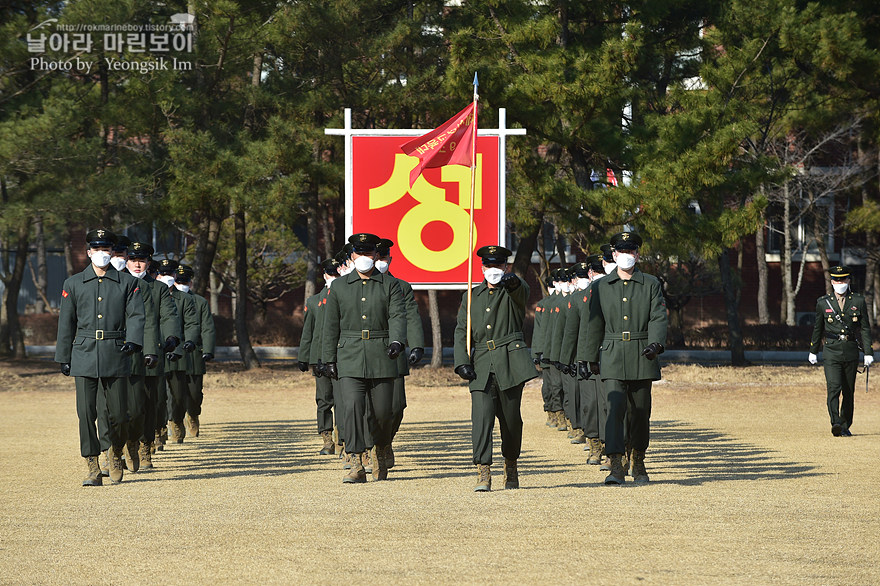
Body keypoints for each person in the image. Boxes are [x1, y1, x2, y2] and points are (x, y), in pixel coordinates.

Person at [55, 229, 145, 486]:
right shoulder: (73, 284)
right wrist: (64, 356)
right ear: (89, 252)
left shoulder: (128, 283)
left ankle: (115, 451)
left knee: (118, 414)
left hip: (116, 352)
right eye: (98, 250)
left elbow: (136, 315)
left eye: (107, 250)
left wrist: (133, 342)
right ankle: (92, 465)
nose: (103, 255)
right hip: (83, 353)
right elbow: (66, 322)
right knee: (85, 413)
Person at [321, 233, 407, 483]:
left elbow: (397, 316)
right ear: (353, 256)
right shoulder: (339, 286)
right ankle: (356, 462)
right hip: (349, 355)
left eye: (369, 254)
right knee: (353, 408)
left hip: (382, 354)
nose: (364, 259)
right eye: (359, 254)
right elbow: (330, 325)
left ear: (375, 256)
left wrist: (396, 341)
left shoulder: (390, 285)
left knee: (383, 412)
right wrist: (328, 358)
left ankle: (380, 449)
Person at [584, 232, 667, 485]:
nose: (627, 256)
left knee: (641, 412)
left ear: (637, 254)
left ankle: (638, 460)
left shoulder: (651, 284)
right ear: (614, 254)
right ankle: (616, 464)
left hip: (643, 353)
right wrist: (589, 357)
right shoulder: (600, 286)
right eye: (622, 251)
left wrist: (656, 343)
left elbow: (658, 317)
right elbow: (594, 323)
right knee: (614, 410)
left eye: (631, 251)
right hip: (612, 354)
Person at [454, 245, 536, 492]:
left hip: (510, 363)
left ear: (505, 267)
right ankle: (483, 471)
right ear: (482, 268)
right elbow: (461, 330)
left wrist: (514, 282)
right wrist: (461, 361)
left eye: (498, 266)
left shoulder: (512, 291)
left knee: (511, 421)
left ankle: (510, 464)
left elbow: (522, 293)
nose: (493, 270)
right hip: (481, 364)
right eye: (488, 266)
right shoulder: (471, 295)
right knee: (481, 419)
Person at [126, 241, 181, 468]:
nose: (137, 264)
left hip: (151, 356)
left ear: (149, 262)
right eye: (133, 259)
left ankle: (145, 446)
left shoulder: (158, 288)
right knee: (126, 406)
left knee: (148, 405)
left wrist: (171, 337)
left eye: (142, 260)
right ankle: (124, 443)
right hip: (124, 355)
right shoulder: (119, 284)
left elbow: (168, 315)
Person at [375, 238, 425, 468]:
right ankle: (368, 449)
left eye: (384, 258)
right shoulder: (354, 287)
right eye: (377, 257)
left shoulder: (401, 287)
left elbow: (411, 316)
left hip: (393, 354)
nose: (380, 262)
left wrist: (415, 345)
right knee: (365, 407)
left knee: (396, 406)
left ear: (390, 259)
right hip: (365, 353)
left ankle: (385, 442)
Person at [808, 265, 874, 437]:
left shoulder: (858, 301)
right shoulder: (823, 302)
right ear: (832, 282)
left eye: (843, 279)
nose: (840, 283)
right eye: (836, 280)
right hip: (831, 350)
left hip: (851, 350)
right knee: (833, 387)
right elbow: (818, 328)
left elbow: (865, 328)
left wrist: (868, 352)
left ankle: (845, 424)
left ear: (849, 280)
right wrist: (813, 350)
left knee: (848, 390)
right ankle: (836, 422)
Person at [299, 257, 342, 455]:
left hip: (341, 356)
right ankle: (327, 439)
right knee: (324, 399)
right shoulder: (314, 301)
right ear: (325, 275)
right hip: (319, 358)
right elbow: (308, 331)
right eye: (330, 273)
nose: (333, 276)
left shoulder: (344, 297)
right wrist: (304, 356)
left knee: (343, 400)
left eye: (336, 273)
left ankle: (342, 438)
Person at [155, 259, 199, 445]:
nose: (167, 278)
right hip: (155, 352)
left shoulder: (186, 299)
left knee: (178, 395)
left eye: (170, 274)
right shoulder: (150, 293)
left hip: (177, 353)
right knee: (157, 396)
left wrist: (184, 345)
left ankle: (177, 419)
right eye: (163, 274)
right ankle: (158, 428)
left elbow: (190, 325)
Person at [175, 264, 216, 438]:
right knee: (174, 393)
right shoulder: (167, 299)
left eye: (185, 281)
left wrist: (208, 349)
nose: (182, 284)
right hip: (174, 351)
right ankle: (174, 421)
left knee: (194, 392)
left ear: (190, 282)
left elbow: (207, 328)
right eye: (178, 280)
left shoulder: (200, 302)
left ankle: (192, 414)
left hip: (193, 354)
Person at [531, 276, 555, 426]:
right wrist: (537, 353)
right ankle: (552, 412)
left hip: (561, 351)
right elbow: (539, 332)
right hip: (547, 352)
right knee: (549, 387)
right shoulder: (543, 305)